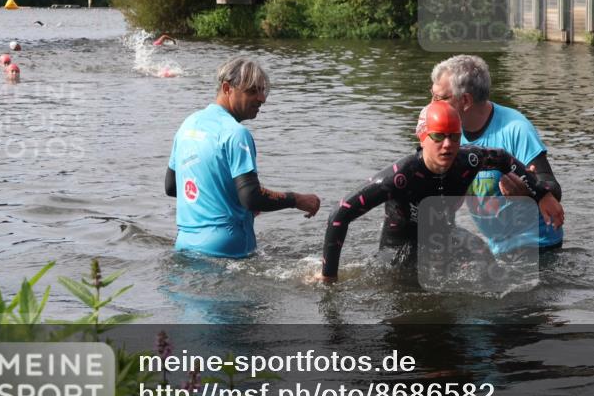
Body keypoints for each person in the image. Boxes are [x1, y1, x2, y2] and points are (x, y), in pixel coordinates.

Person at [318, 101, 564, 282]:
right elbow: (339, 215)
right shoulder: (398, 177)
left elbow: (503, 159)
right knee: (402, 291)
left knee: (487, 263)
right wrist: (329, 277)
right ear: (422, 137)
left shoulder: (469, 160)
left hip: (442, 236)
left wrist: (542, 194)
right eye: (438, 137)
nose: (447, 145)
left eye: (454, 137)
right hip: (400, 249)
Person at [166, 57, 321, 258]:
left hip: (184, 244)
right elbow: (251, 198)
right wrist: (296, 199)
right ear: (227, 88)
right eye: (252, 91)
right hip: (228, 248)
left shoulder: (188, 125)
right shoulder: (236, 133)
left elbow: (172, 186)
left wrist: (230, 200)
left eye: (262, 91)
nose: (262, 98)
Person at [429, 55, 564, 255]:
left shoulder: (516, 129)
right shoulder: (447, 135)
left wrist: (530, 191)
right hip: (497, 247)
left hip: (538, 246)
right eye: (432, 95)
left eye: (439, 98)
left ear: (465, 100)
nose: (432, 104)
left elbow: (553, 189)